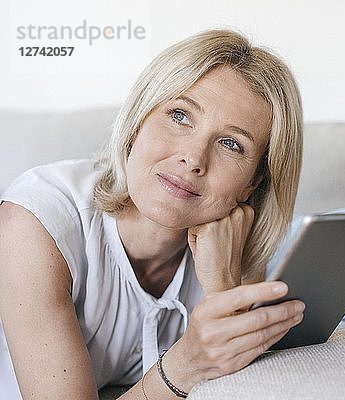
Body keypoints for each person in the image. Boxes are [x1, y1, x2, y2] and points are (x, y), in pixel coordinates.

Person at [0, 29, 305, 399]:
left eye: (230, 144)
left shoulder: (234, 243)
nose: (193, 159)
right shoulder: (33, 222)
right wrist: (187, 364)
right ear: (137, 123)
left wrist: (222, 288)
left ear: (252, 184)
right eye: (180, 115)